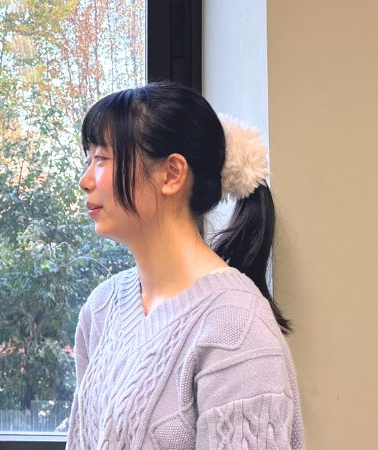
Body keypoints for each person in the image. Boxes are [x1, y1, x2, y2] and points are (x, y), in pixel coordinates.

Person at [66, 82, 304, 449]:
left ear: (172, 174)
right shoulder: (102, 308)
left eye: (101, 159)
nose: (85, 181)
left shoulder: (236, 327)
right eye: (89, 161)